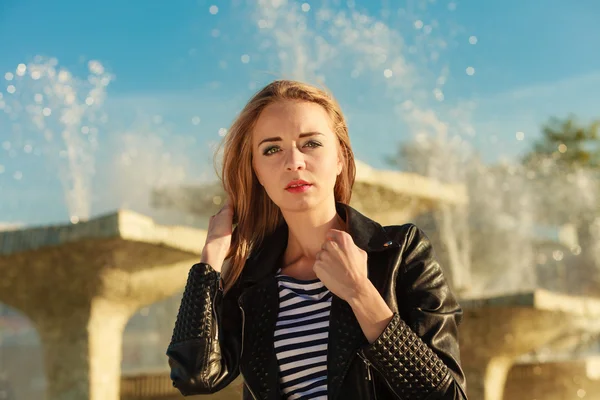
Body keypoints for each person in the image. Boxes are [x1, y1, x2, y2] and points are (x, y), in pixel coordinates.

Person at [166, 80, 468, 399]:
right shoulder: (252, 284)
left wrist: (360, 292)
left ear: (340, 157)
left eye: (310, 144)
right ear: (257, 172)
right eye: (272, 149)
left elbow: (448, 396)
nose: (294, 161)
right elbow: (193, 376)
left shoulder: (400, 252)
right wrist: (210, 260)